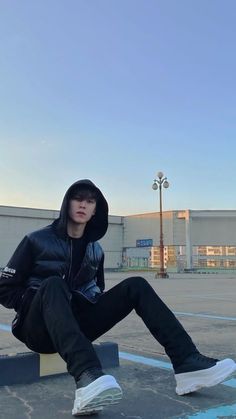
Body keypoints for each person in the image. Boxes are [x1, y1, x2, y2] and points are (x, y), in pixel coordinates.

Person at [0, 179, 235, 416]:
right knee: (53, 285)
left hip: (78, 327)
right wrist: (41, 301)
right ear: (67, 204)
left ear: (95, 210)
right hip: (38, 329)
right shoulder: (36, 240)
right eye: (78, 199)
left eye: (90, 201)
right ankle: (87, 378)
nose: (83, 205)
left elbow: (97, 290)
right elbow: (5, 289)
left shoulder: (96, 250)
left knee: (136, 285)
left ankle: (187, 364)